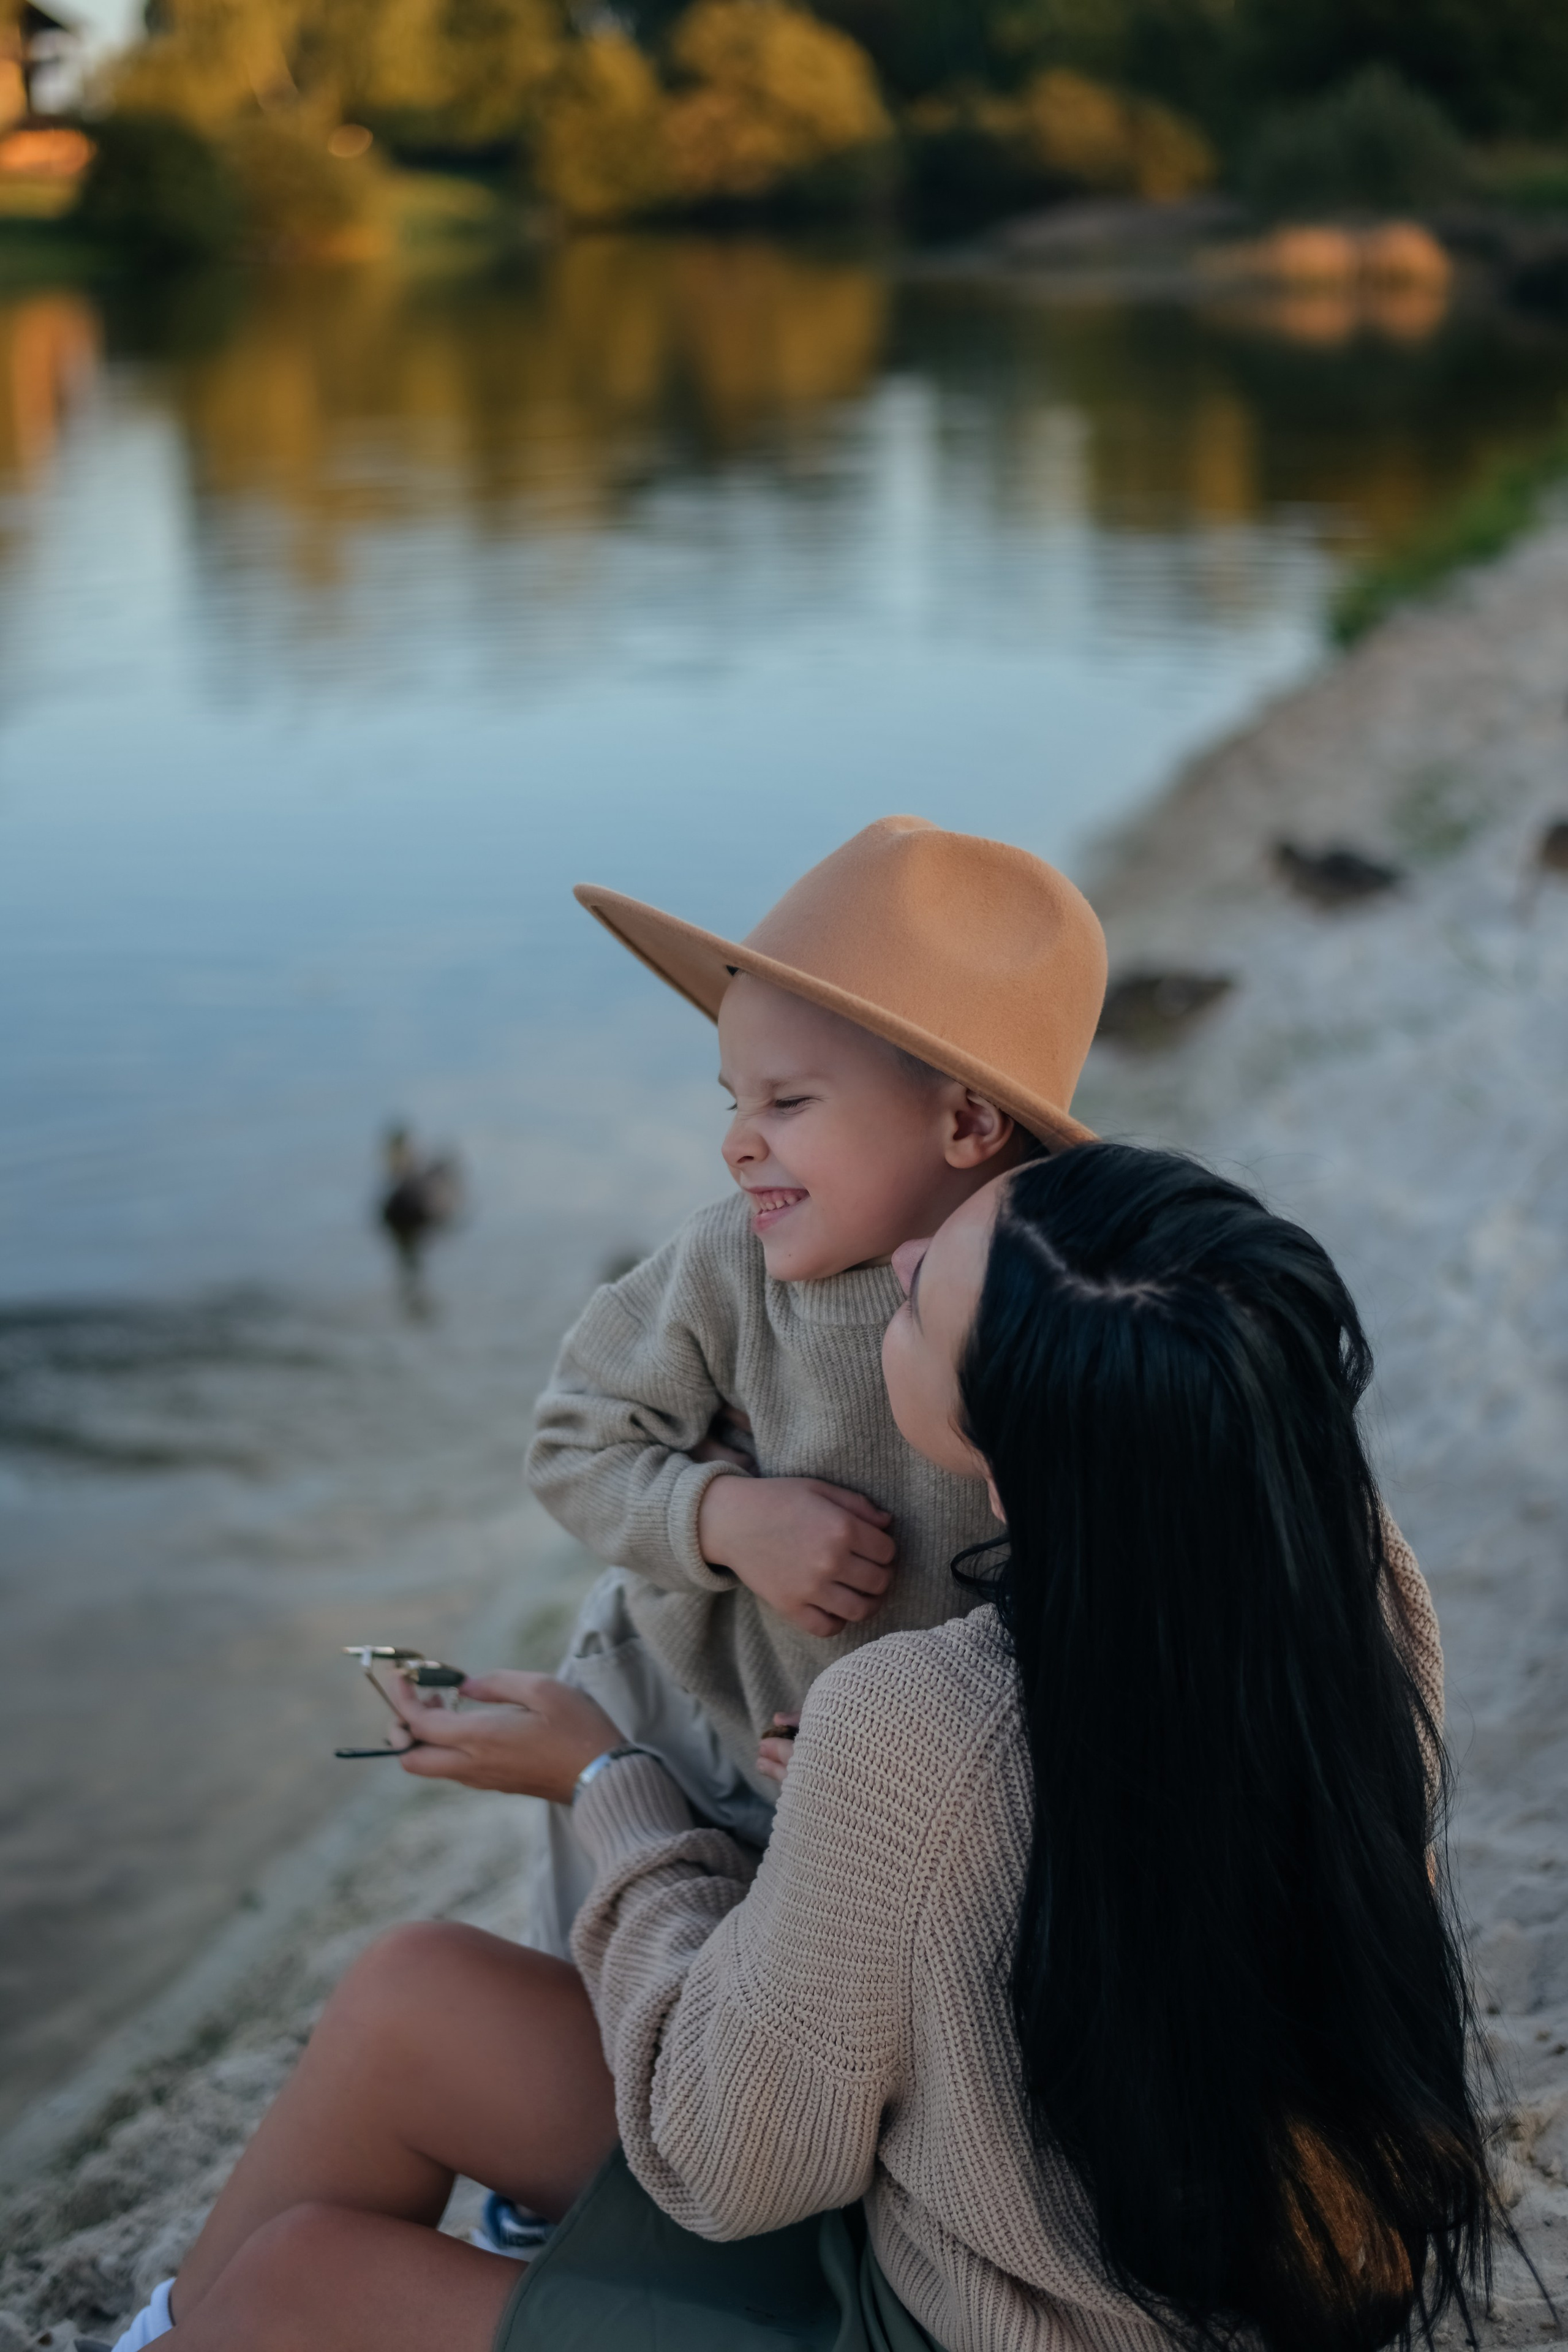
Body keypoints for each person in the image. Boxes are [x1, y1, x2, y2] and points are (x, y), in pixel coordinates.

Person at [114, 1144, 1491, 2352]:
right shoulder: (1351, 1586)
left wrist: (607, 1785)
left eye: (912, 1301)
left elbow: (728, 2160)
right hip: (1136, 2240)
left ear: (999, 1453)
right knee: (412, 1992)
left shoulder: (921, 1728)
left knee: (303, 2285)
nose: (891, 1258)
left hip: (977, 2314)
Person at [525, 811, 1107, 1951]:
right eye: (732, 1100)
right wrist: (725, 1515)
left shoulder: (1071, 1304)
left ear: (967, 1120)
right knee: (604, 1964)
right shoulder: (723, 1266)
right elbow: (572, 1445)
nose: (739, 1143)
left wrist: (911, 1741)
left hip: (912, 1776)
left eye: (786, 1104)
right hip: (697, 1716)